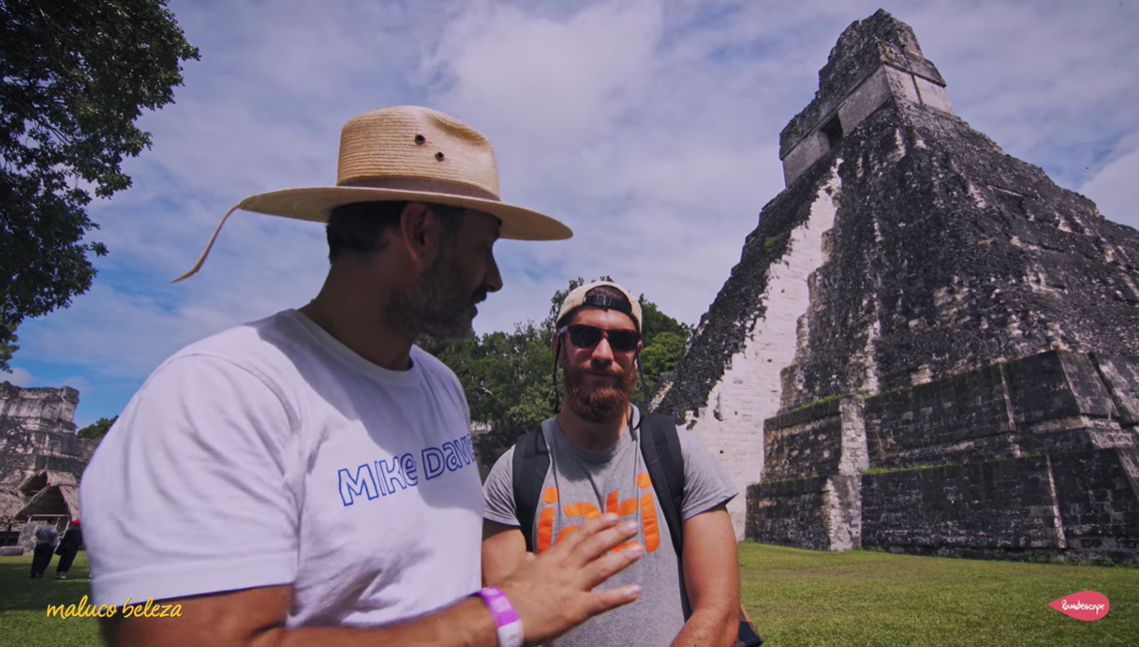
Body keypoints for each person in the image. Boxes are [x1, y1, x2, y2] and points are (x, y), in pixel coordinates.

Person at [80, 106, 645, 647]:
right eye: (483, 249)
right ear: (419, 232)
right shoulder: (221, 394)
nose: (494, 280)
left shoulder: (440, 386)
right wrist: (498, 618)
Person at [480, 281, 745, 647]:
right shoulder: (513, 474)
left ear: (635, 354)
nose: (603, 353)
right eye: (586, 335)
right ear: (559, 347)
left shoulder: (679, 454)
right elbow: (505, 625)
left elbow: (719, 611)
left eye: (620, 341)